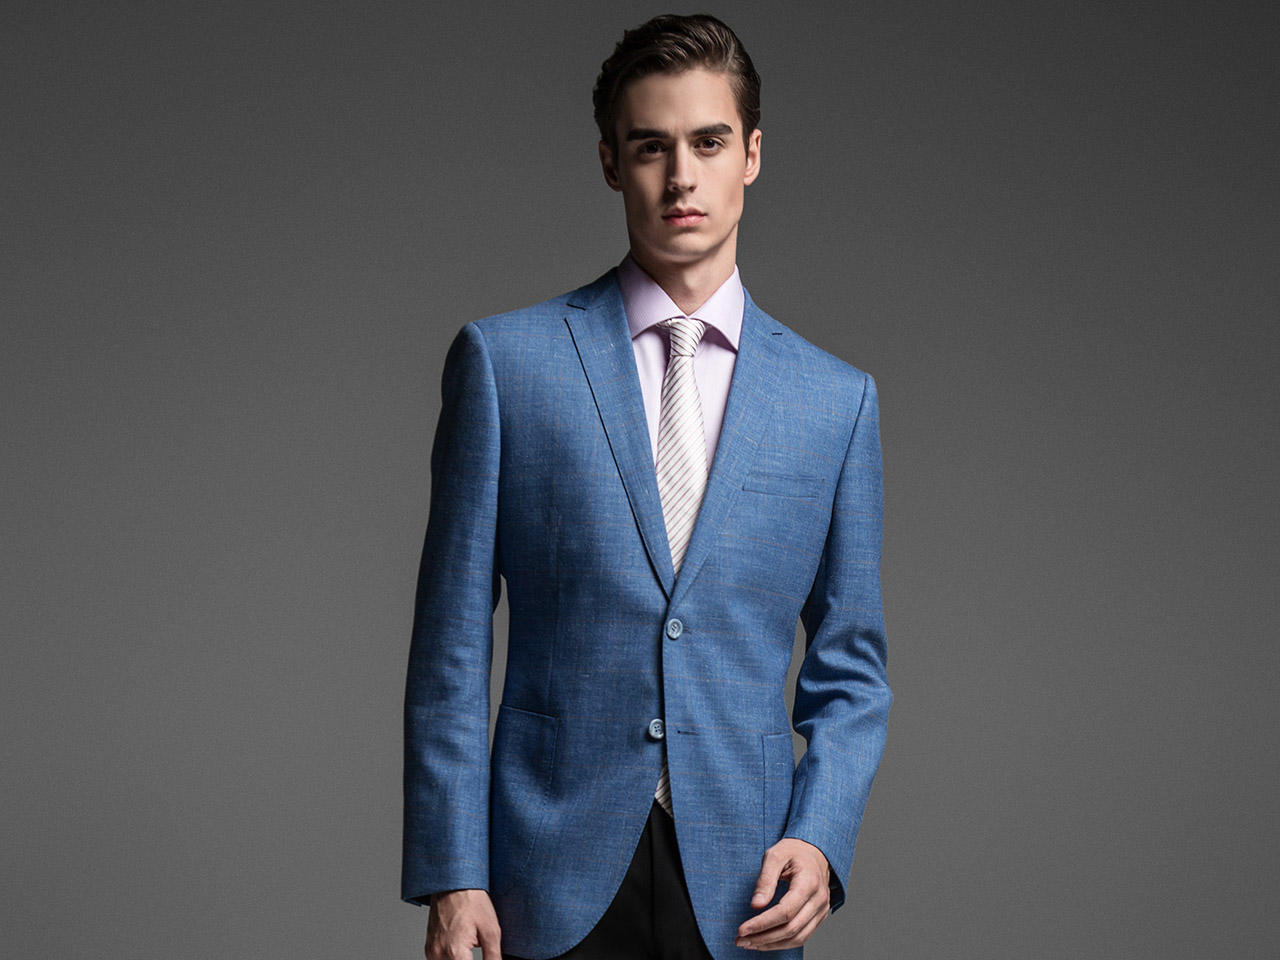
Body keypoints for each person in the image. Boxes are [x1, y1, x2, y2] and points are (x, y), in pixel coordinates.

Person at [401, 13, 891, 960]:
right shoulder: (507, 366)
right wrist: (454, 872)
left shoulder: (836, 403)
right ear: (609, 163)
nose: (681, 177)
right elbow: (450, 646)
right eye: (650, 147)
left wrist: (822, 835)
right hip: (542, 879)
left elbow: (852, 668)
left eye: (708, 142)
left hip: (746, 886)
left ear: (751, 155)